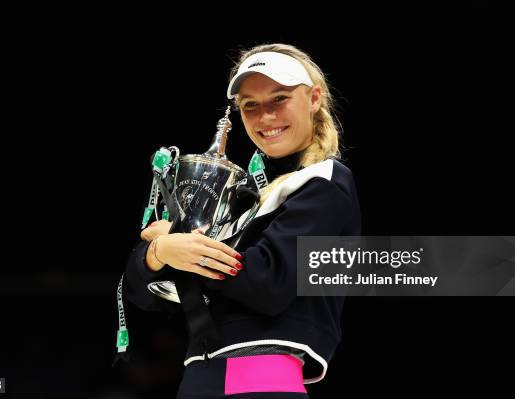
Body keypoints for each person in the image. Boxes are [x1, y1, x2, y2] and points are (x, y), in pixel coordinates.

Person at [123, 43, 361, 398]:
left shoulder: (326, 182)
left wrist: (184, 243)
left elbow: (267, 285)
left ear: (313, 98)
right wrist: (159, 252)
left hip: (259, 375)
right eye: (250, 105)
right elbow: (143, 295)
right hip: (200, 376)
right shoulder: (243, 201)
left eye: (279, 98)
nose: (265, 116)